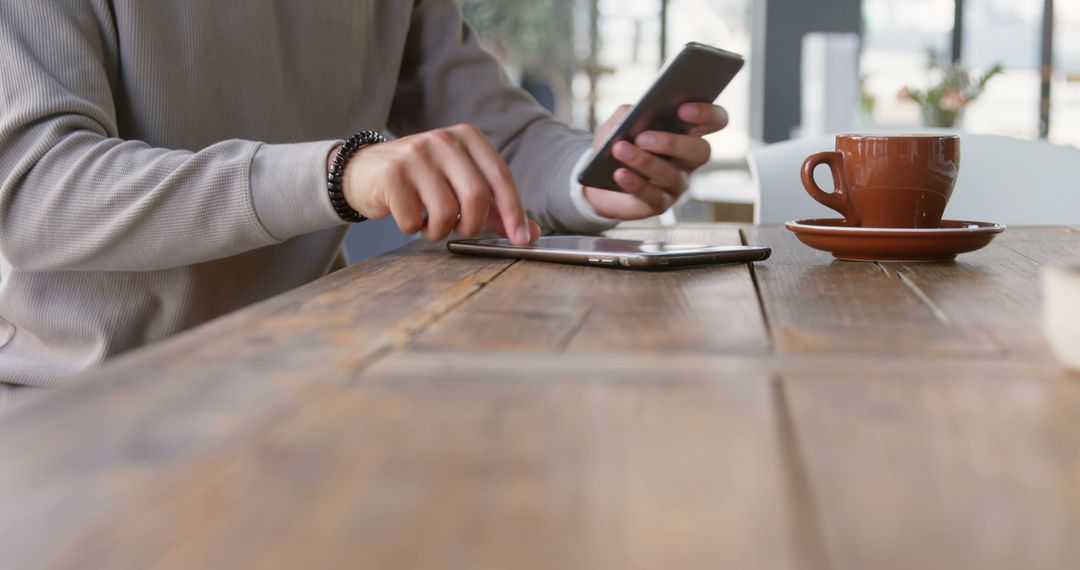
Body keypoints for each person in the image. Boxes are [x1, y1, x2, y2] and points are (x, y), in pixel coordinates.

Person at [0, 0, 729, 391]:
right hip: (85, 409)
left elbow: (497, 139)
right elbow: (35, 192)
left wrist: (597, 175)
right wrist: (340, 173)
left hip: (306, 384)